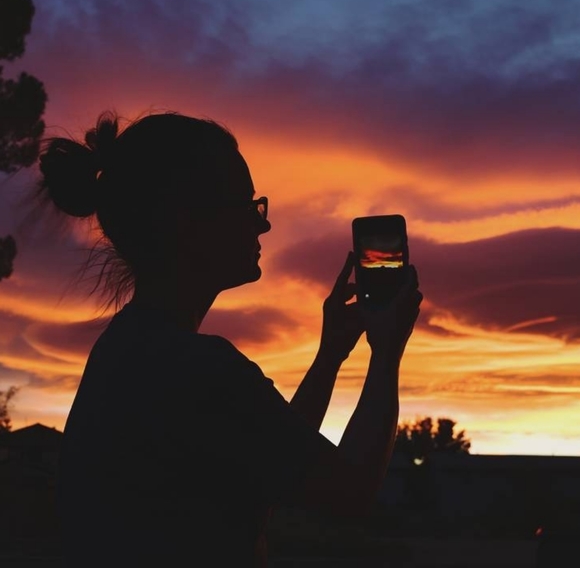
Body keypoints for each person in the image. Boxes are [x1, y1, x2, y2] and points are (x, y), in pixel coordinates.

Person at [36, 111, 422, 567]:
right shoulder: (196, 368)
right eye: (247, 204)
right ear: (186, 220)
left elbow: (275, 454)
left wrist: (330, 356)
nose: (263, 225)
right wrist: (386, 354)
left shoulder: (130, 349)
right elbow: (348, 492)